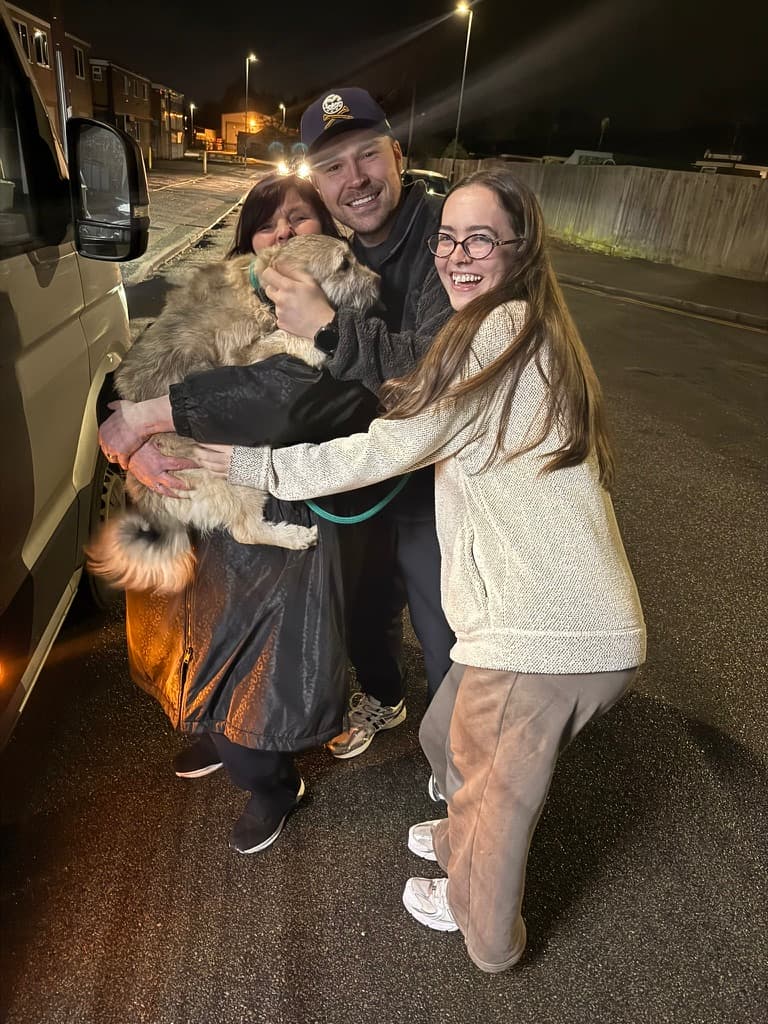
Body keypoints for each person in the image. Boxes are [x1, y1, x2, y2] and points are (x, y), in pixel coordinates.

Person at [182, 170, 647, 971]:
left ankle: (486, 931)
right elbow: (409, 396)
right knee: (444, 735)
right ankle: (460, 831)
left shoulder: (499, 335)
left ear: (520, 249)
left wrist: (261, 468)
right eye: (448, 237)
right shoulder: (510, 328)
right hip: (532, 618)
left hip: (545, 632)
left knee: (495, 802)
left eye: (480, 239)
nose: (455, 255)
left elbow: (390, 444)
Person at [99, 173, 381, 855]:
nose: (282, 233)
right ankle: (217, 733)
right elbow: (130, 378)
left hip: (280, 504)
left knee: (260, 680)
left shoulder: (346, 315)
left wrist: (149, 418)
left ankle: (271, 784)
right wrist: (127, 446)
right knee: (191, 646)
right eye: (266, 223)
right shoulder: (218, 294)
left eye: (298, 219)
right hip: (200, 503)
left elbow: (283, 399)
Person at [258, 87, 457, 759]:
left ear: (398, 155)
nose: (357, 180)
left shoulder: (445, 236)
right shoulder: (335, 246)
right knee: (367, 606)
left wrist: (328, 328)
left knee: (443, 629)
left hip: (437, 481)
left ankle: (465, 768)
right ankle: (385, 696)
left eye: (368, 156)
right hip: (366, 474)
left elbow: (431, 374)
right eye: (335, 168)